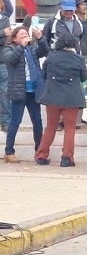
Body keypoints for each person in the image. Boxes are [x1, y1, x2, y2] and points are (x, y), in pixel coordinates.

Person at [33, 33, 87, 167]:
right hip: (71, 98)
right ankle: (66, 158)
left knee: (50, 127)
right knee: (69, 128)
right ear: (74, 45)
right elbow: (83, 78)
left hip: (52, 96)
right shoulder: (79, 59)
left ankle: (41, 156)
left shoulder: (51, 57)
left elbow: (44, 74)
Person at [2, 25, 47, 162]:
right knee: (15, 121)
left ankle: (39, 151)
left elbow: (44, 51)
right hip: (19, 91)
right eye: (21, 34)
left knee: (37, 122)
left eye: (26, 33)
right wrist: (21, 46)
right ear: (15, 38)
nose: (24, 35)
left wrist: (41, 38)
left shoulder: (32, 48)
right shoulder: (8, 49)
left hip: (33, 90)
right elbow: (11, 60)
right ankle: (9, 151)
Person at [0, 0, 15, 133]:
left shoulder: (3, 18)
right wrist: (2, 33)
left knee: (4, 91)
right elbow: (4, 35)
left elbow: (10, 10)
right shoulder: (3, 25)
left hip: (3, 60)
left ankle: (5, 121)